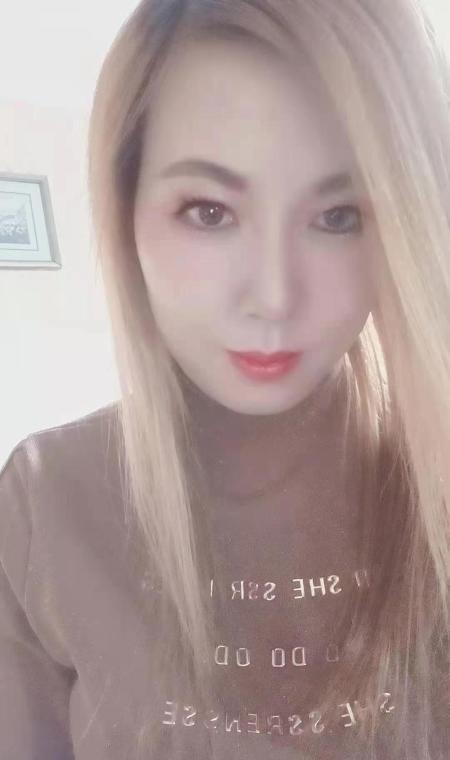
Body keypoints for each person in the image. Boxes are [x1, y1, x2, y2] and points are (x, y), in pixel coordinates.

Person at [0, 0, 449, 758]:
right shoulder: (47, 497)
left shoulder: (433, 483)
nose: (273, 296)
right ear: (126, 211)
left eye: (339, 216)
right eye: (209, 211)